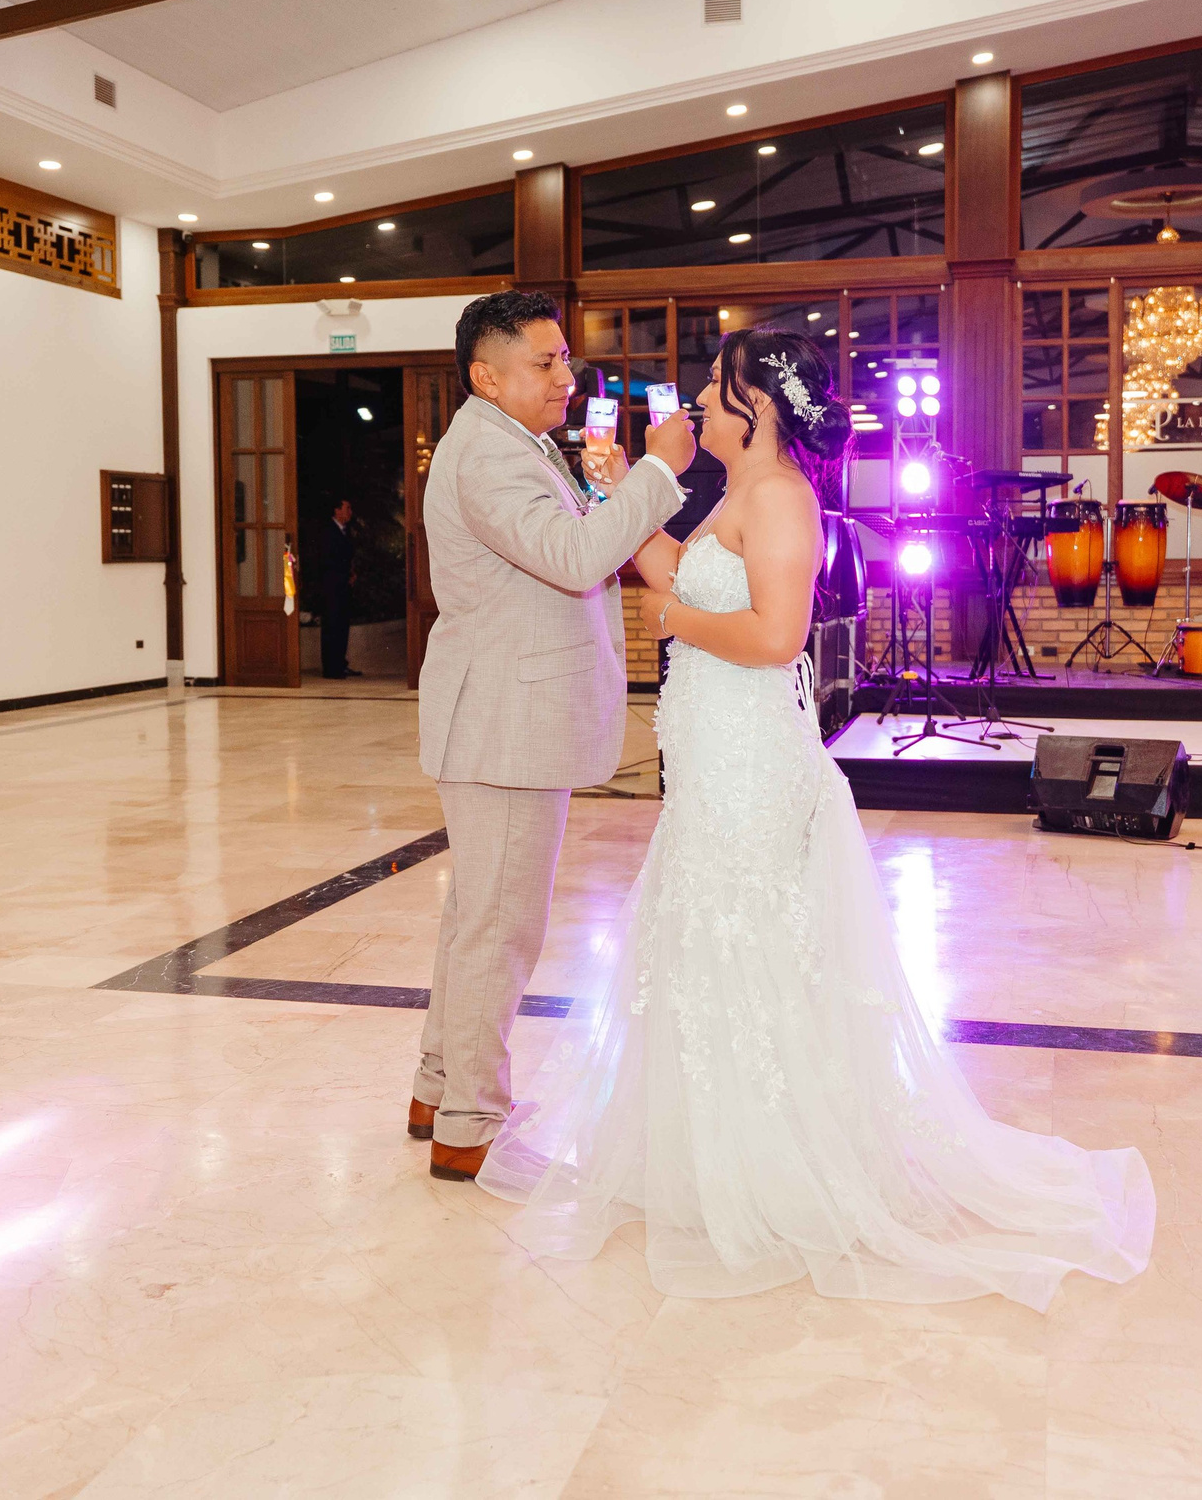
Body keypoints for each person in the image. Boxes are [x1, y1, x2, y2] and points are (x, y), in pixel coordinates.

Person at [476, 329, 1155, 1309]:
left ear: (756, 406)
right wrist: (619, 486)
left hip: (752, 764)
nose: (698, 405)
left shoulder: (783, 499)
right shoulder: (731, 497)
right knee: (706, 948)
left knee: (752, 948)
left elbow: (772, 635)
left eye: (712, 390)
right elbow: (666, 569)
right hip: (711, 759)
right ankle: (713, 1156)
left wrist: (677, 624)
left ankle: (780, 1169)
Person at [410, 290, 694, 1181]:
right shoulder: (487, 457)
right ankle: (470, 1125)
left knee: (475, 918)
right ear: (485, 374)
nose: (566, 379)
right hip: (503, 722)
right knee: (500, 927)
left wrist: (608, 485)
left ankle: (439, 1089)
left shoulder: (510, 441)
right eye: (545, 364)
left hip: (506, 712)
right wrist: (655, 472)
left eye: (565, 360)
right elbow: (575, 559)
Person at [312, 498, 357, 679]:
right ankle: (331, 668)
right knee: (331, 626)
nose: (350, 512)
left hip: (343, 587)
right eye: (347, 508)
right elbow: (326, 561)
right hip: (331, 589)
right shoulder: (328, 532)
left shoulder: (345, 531)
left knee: (342, 626)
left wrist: (351, 575)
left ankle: (340, 663)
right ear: (337, 510)